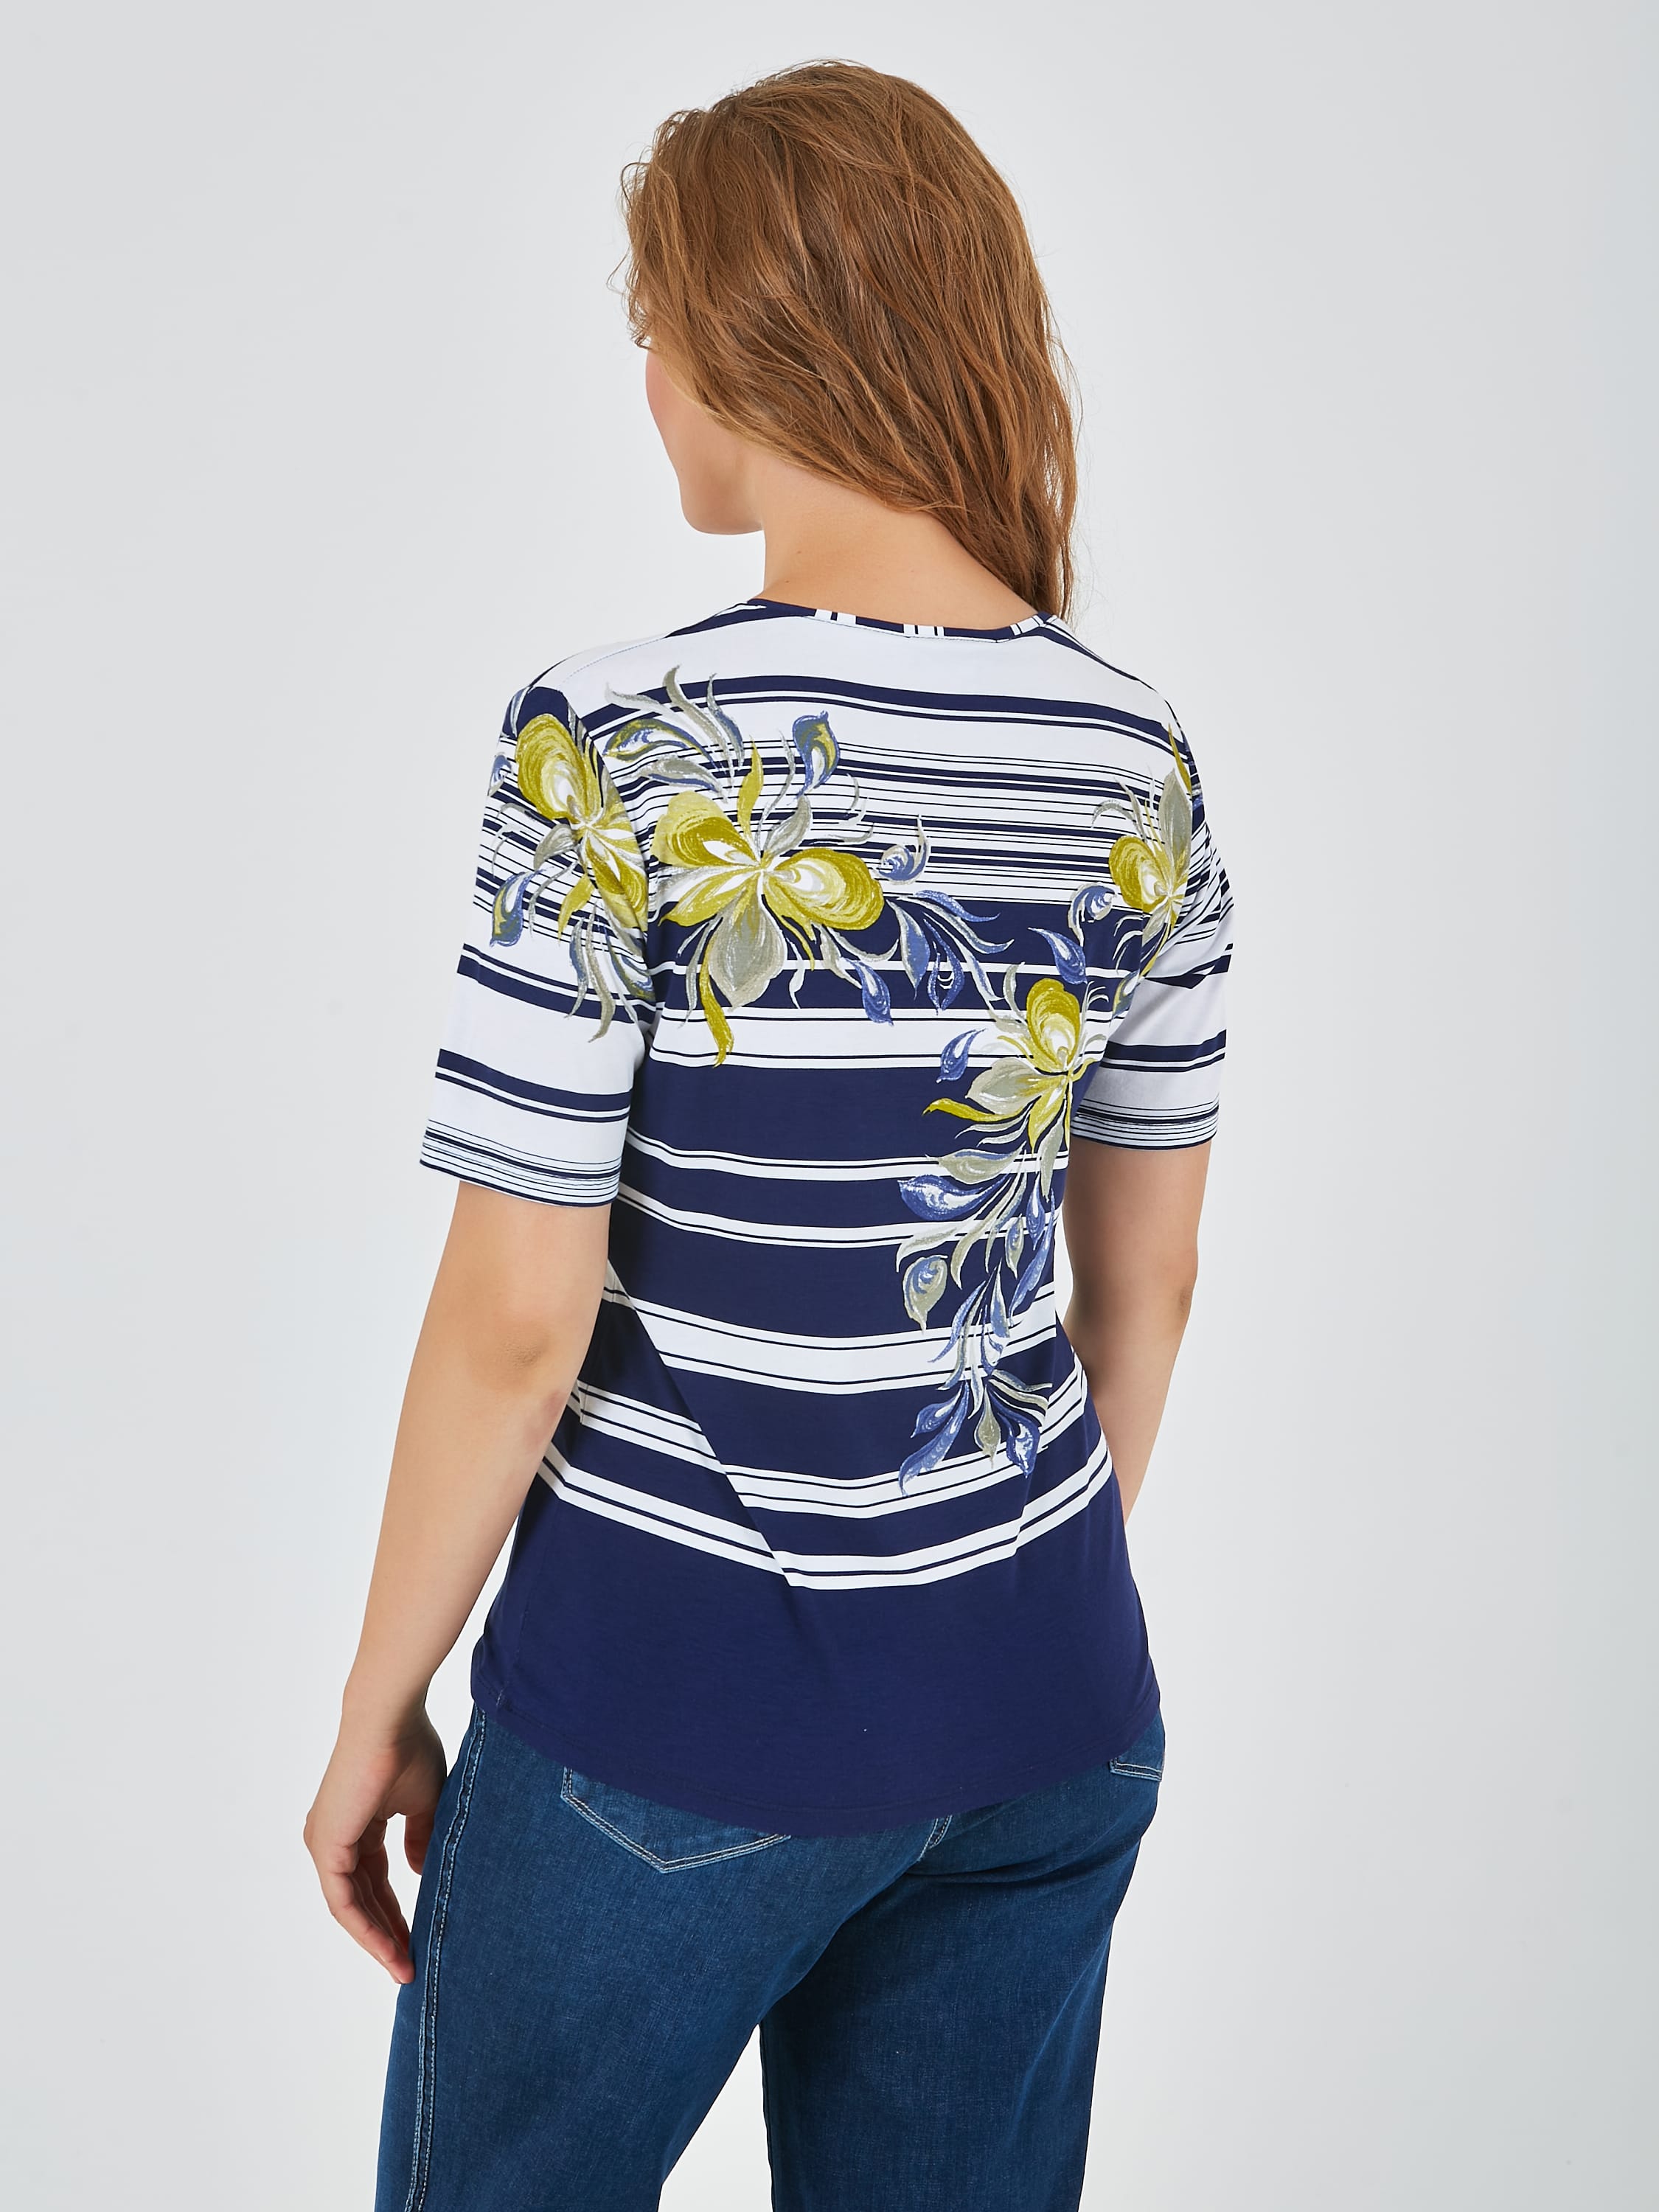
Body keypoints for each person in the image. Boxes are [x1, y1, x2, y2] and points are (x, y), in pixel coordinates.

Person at [305, 59, 1233, 2212]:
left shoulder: (616, 741)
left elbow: (515, 1319)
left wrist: (377, 1703)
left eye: (653, 323)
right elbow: (1151, 1286)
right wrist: (965, 1635)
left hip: (668, 1713)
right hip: (1047, 1705)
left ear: (744, 345)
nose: (644, 379)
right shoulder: (1139, 757)